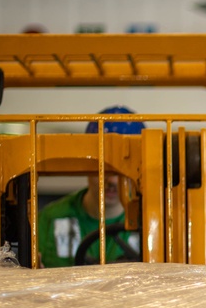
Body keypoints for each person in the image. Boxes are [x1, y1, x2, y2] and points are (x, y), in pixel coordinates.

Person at [37, 106, 143, 267]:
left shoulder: (153, 222)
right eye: (104, 166)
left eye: (124, 168)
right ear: (88, 162)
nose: (113, 181)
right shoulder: (50, 219)